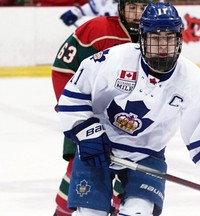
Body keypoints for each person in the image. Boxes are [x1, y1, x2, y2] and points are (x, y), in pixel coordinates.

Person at [57, 2, 200, 215]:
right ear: (142, 39)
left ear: (179, 40)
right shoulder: (114, 60)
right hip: (100, 146)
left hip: (147, 154)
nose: (163, 47)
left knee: (139, 211)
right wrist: (87, 133)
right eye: (155, 39)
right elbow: (73, 96)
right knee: (89, 213)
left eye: (169, 39)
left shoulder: (192, 80)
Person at [51, 0, 152, 215]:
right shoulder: (97, 29)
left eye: (142, 8)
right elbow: (62, 68)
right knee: (80, 169)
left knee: (128, 173)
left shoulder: (156, 38)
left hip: (128, 124)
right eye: (131, 8)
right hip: (89, 119)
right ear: (121, 8)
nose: (136, 14)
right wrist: (72, 109)